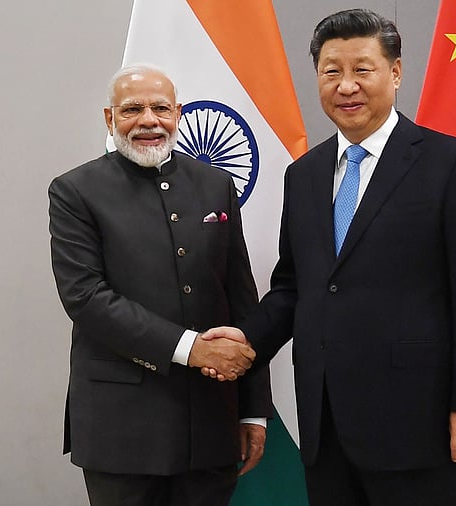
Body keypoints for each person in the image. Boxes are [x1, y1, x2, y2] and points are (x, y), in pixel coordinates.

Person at [203, 9, 456, 505]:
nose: (346, 86)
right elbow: (295, 288)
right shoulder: (303, 175)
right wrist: (246, 339)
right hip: (326, 425)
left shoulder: (452, 164)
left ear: (395, 72)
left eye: (362, 69)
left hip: (419, 424)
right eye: (332, 71)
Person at [48, 64, 272, 506]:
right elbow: (86, 297)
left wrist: (253, 409)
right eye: (132, 109)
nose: (149, 120)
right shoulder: (76, 191)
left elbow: (241, 298)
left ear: (179, 114)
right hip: (121, 428)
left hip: (210, 422)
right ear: (110, 120)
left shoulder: (215, 184)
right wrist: (192, 348)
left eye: (160, 108)